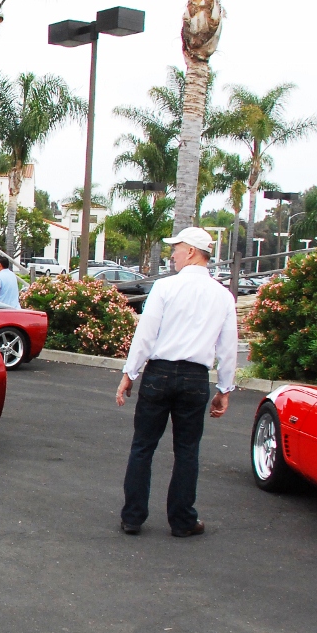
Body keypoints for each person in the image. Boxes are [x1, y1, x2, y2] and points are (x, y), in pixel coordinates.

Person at [115, 226, 238, 538]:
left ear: (192, 252)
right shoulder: (223, 296)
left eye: (177, 248)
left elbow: (146, 334)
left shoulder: (165, 288)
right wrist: (224, 389)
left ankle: (133, 517)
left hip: (159, 373)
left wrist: (130, 374)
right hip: (196, 378)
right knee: (187, 450)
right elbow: (228, 347)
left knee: (143, 445)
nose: (173, 254)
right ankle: (182, 520)